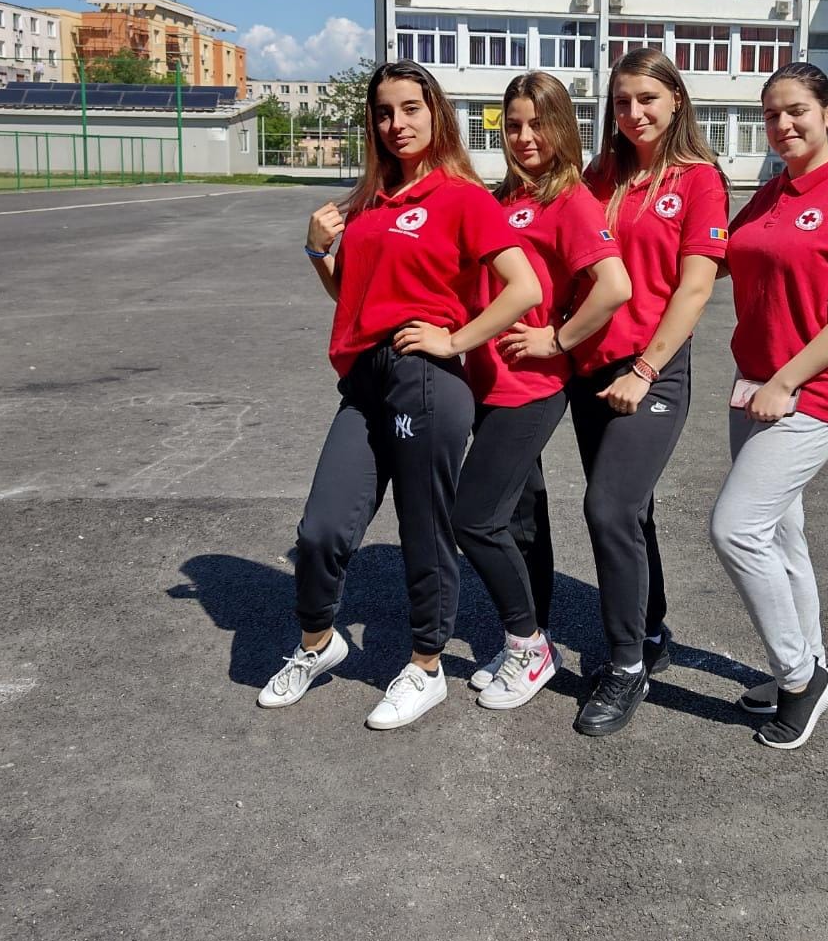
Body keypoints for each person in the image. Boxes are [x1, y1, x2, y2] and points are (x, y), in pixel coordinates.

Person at [257, 62, 541, 730]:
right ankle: (318, 644)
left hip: (424, 378)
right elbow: (353, 298)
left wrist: (455, 339)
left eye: (410, 108)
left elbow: (524, 286)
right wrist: (317, 252)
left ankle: (426, 665)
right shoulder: (369, 201)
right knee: (322, 529)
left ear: (435, 112)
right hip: (364, 380)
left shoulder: (462, 196)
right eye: (384, 112)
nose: (397, 123)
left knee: (424, 529)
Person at [710, 62, 828, 751]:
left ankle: (797, 677)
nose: (783, 124)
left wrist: (785, 380)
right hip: (755, 385)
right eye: (771, 115)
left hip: (811, 392)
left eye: (796, 111)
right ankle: (811, 663)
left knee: (736, 528)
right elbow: (719, 256)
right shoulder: (771, 194)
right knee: (783, 535)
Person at [452, 73, 631, 711]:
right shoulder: (503, 198)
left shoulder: (570, 200)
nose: (524, 137)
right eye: (513, 125)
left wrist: (557, 340)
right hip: (486, 380)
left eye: (538, 124)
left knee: (475, 518)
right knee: (520, 519)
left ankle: (530, 648)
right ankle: (530, 637)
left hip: (529, 385)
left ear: (563, 128)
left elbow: (614, 286)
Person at [568, 47, 729, 737]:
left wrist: (644, 370)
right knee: (633, 511)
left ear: (676, 101)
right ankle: (652, 629)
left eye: (647, 98)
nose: (633, 112)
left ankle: (627, 664)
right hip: (590, 369)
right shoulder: (600, 173)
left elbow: (695, 288)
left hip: (651, 369)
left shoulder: (699, 180)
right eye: (622, 101)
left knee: (607, 508)